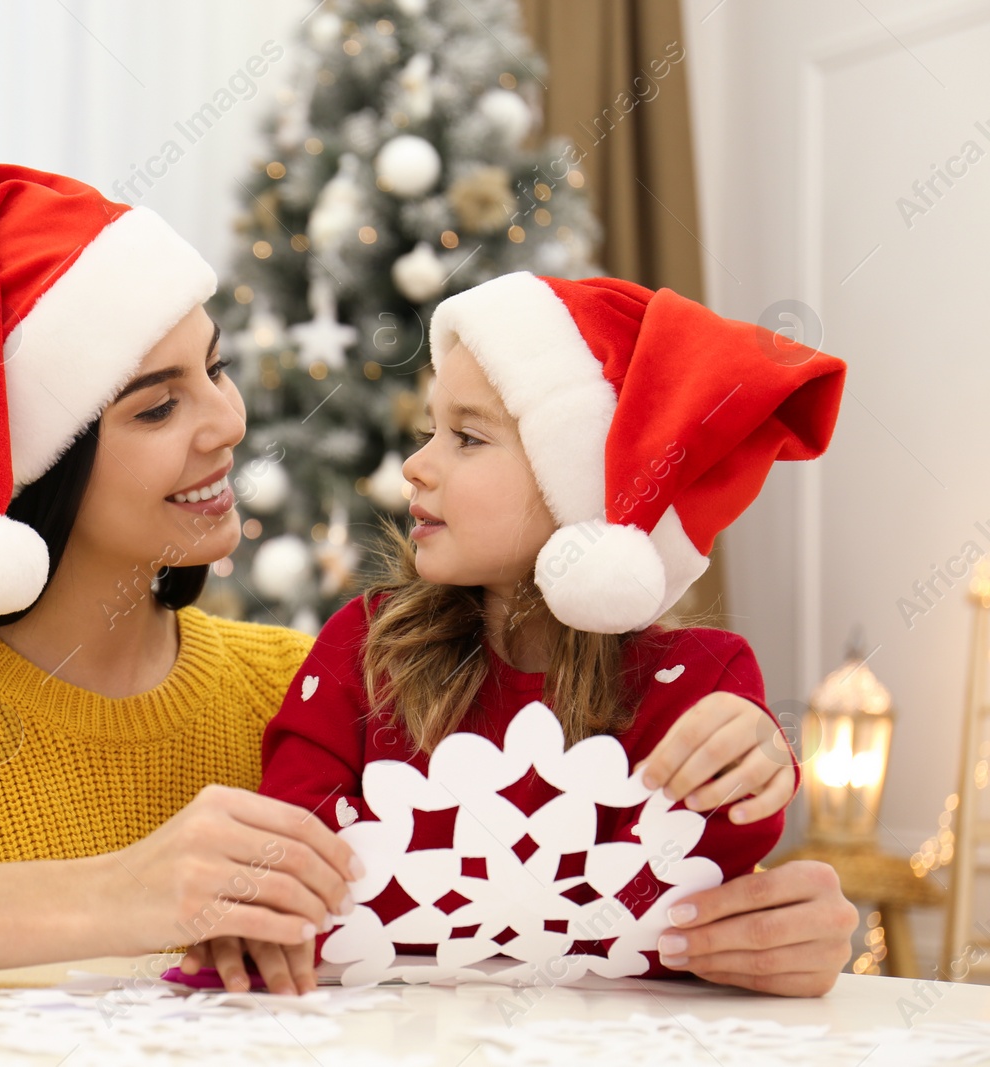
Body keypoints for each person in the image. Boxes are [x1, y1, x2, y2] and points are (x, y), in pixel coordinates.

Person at [0, 166, 859, 1010]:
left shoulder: (295, 675)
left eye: (217, 369)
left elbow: (557, 852)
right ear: (43, 469)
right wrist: (116, 892)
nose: (227, 424)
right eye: (155, 403)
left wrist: (765, 922)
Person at [182, 271, 853, 995]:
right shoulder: (368, 646)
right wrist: (255, 898)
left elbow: (719, 873)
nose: (415, 465)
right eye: (429, 430)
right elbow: (287, 841)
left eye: (467, 437)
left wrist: (752, 760)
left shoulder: (697, 681)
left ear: (588, 485)